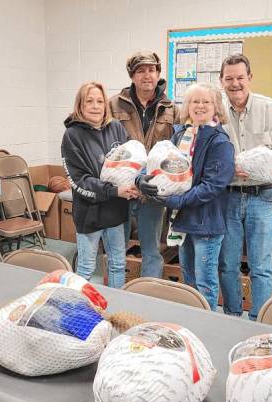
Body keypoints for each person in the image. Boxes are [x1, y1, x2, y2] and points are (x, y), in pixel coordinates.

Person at [218, 54, 272, 320]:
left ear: (250, 78)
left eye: (240, 78)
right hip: (226, 197)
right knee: (227, 264)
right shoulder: (214, 110)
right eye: (229, 78)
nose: (235, 84)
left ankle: (258, 322)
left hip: (262, 197)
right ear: (221, 81)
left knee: (261, 266)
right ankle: (231, 316)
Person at [140, 83, 234, 310]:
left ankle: (207, 325)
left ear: (216, 107)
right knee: (189, 279)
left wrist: (175, 201)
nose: (200, 106)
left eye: (206, 102)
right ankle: (192, 320)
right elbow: (162, 164)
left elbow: (213, 186)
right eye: (195, 101)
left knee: (205, 283)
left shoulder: (220, 142)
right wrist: (141, 179)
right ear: (187, 106)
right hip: (182, 221)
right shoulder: (181, 134)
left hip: (206, 224)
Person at [61, 82, 139, 288]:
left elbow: (133, 160)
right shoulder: (72, 135)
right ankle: (79, 310)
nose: (95, 106)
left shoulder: (116, 128)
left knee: (117, 264)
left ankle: (116, 308)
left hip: (115, 209)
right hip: (90, 212)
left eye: (100, 101)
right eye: (89, 101)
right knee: (86, 267)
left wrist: (139, 181)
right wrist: (114, 190)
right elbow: (79, 181)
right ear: (80, 104)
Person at [109, 51, 179, 278]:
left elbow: (176, 150)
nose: (146, 75)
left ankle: (150, 295)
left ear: (158, 73)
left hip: (153, 190)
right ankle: (117, 294)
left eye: (151, 69)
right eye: (141, 70)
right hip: (122, 190)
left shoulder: (171, 108)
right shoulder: (114, 104)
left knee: (152, 250)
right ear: (132, 76)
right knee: (117, 249)